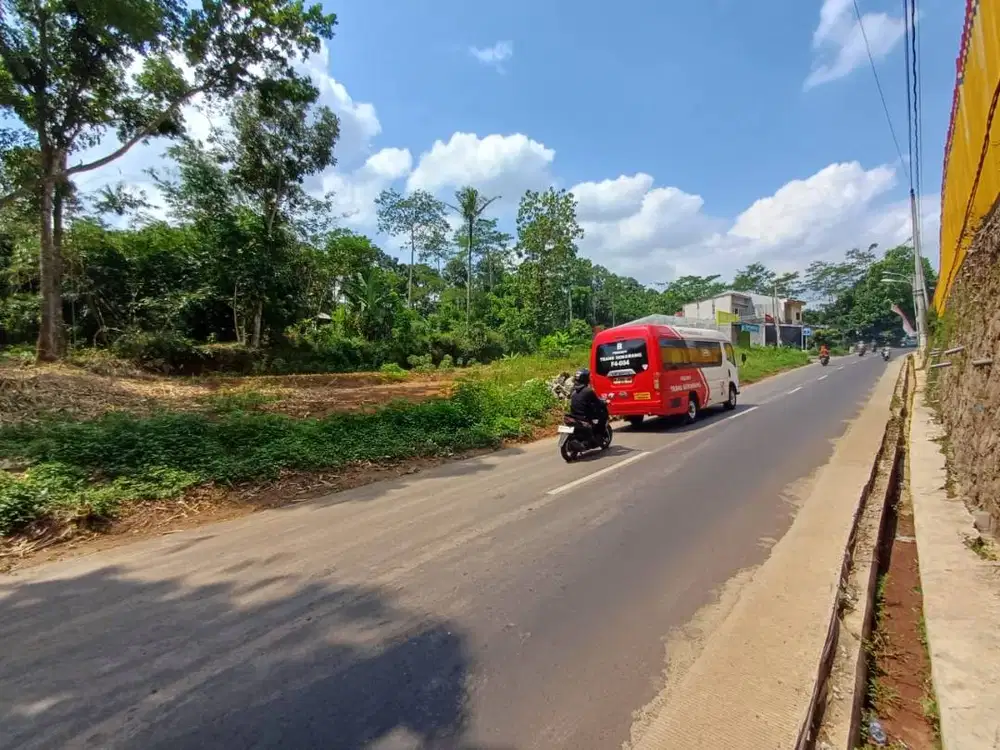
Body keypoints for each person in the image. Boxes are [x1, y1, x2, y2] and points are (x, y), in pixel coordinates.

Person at [569, 368, 608, 440]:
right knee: (602, 416)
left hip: (573, 415)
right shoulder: (588, 391)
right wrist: (605, 402)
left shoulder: (572, 390)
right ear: (585, 379)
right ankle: (598, 435)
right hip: (583, 416)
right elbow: (598, 402)